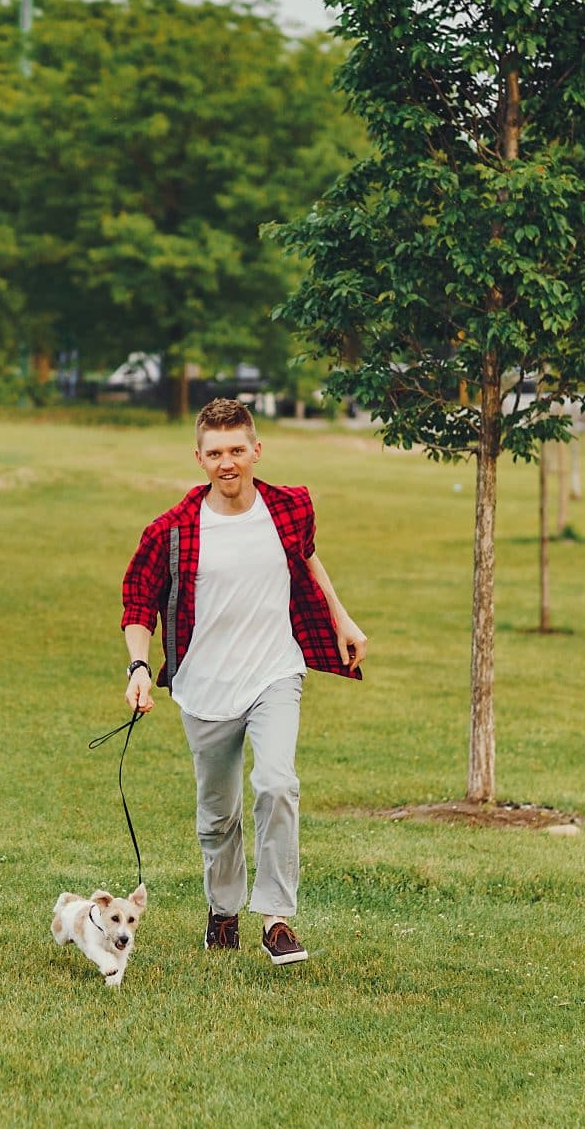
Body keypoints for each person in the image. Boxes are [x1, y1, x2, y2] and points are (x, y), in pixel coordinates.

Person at [119, 398, 368, 965]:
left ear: (256, 450)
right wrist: (138, 667)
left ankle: (277, 919)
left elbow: (304, 557)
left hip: (274, 671)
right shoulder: (171, 530)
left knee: (277, 783)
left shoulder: (289, 508)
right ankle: (223, 911)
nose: (227, 462)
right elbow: (138, 603)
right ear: (199, 458)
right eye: (215, 453)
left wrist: (340, 616)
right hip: (204, 685)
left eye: (237, 450)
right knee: (217, 812)